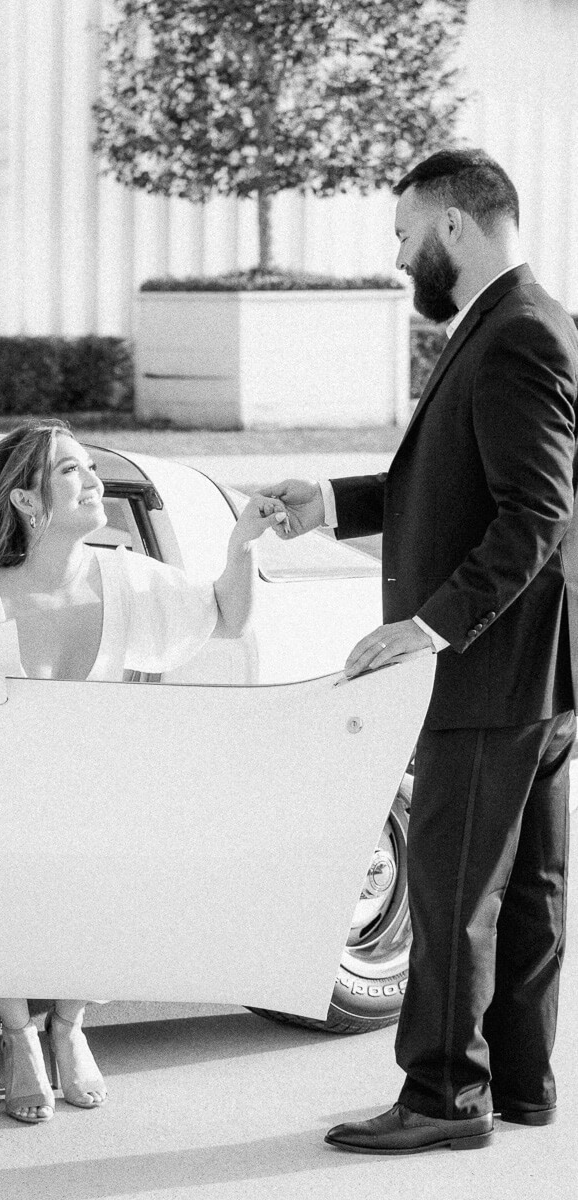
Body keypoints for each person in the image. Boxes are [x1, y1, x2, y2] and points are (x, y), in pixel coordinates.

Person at [262, 149, 578, 1154]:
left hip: (492, 669)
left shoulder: (518, 333)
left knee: (449, 889)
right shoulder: (530, 322)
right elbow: (470, 485)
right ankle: (519, 1085)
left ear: (453, 227)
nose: (400, 259)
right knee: (526, 886)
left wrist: (429, 624)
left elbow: (534, 514)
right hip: (539, 670)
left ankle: (444, 1097)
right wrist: (331, 505)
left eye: (404, 235)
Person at [0, 417, 285, 1125]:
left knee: (112, 867)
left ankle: (70, 1024)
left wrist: (241, 545)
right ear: (25, 501)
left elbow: (229, 618)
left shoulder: (126, 576)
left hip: (98, 790)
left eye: (90, 467)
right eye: (71, 471)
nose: (93, 481)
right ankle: (18, 1032)